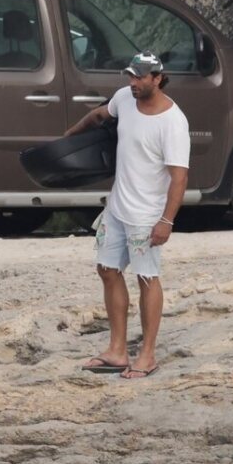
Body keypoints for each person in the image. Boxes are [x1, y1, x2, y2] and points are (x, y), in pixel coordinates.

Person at [65, 51, 190, 377]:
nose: (133, 82)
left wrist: (166, 221)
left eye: (140, 77)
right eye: (130, 76)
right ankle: (117, 351)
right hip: (117, 208)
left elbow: (179, 177)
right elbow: (97, 116)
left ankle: (147, 355)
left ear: (157, 79)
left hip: (146, 216)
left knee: (146, 277)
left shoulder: (173, 122)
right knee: (107, 270)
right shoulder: (124, 98)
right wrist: (65, 142)